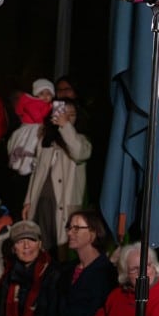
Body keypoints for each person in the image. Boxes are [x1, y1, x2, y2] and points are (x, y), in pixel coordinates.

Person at [22, 98, 92, 254]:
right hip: (41, 202)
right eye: (63, 113)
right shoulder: (45, 140)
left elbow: (80, 152)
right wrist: (28, 201)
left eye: (71, 115)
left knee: (61, 249)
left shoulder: (82, 140)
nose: (67, 117)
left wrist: (65, 126)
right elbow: (36, 173)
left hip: (63, 205)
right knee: (40, 246)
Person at [6, 77, 54, 178]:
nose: (45, 96)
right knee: (28, 146)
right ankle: (24, 166)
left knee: (35, 148)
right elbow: (36, 115)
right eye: (42, 93)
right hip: (30, 129)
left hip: (38, 127)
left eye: (48, 93)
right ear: (36, 94)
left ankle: (30, 164)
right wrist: (43, 121)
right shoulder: (33, 103)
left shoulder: (49, 105)